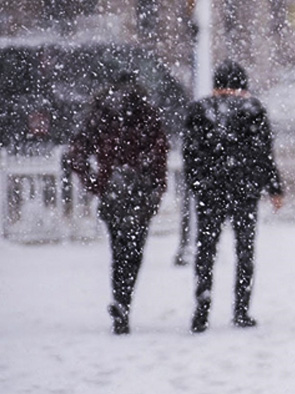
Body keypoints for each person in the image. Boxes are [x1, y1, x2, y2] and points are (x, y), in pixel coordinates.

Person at [183, 60, 283, 333]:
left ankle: (202, 305)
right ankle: (241, 309)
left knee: (206, 249)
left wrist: (198, 185)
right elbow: (264, 154)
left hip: (210, 191)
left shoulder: (198, 110)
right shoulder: (253, 110)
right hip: (244, 191)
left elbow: (190, 154)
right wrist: (274, 187)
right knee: (245, 251)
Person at [68, 71, 168, 335]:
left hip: (113, 189)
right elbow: (160, 153)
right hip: (141, 189)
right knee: (134, 251)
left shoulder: (101, 113)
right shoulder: (146, 113)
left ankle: (120, 300)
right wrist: (158, 187)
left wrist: (96, 182)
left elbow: (76, 153)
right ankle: (125, 300)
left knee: (119, 250)